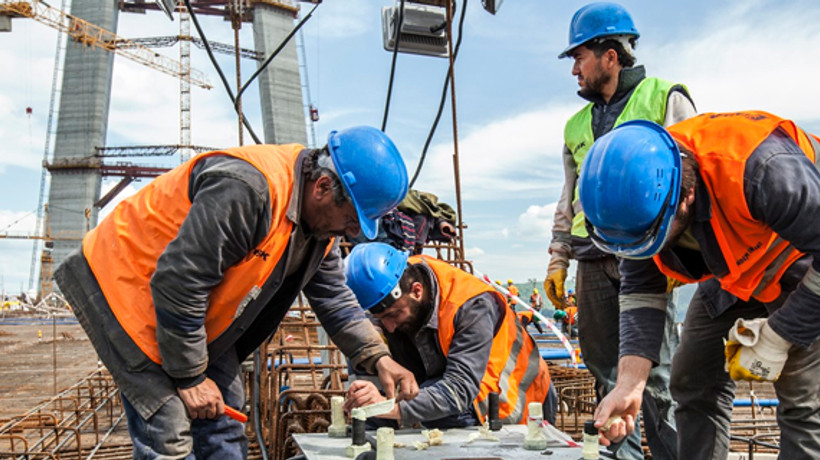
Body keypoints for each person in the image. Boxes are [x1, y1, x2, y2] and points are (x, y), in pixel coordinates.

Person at [54, 127, 421, 459]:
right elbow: (180, 281)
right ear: (322, 187)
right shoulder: (249, 189)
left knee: (226, 416)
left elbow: (335, 302)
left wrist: (378, 358)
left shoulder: (320, 232)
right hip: (125, 287)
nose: (353, 233)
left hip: (192, 310)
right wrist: (191, 377)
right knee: (167, 430)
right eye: (353, 219)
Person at [579, 113, 820, 459]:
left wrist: (781, 334)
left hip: (801, 263)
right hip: (732, 267)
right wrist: (630, 385)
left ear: (687, 195)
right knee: (692, 379)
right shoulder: (635, 203)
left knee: (802, 399)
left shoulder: (763, 170)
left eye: (653, 239)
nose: (643, 253)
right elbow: (641, 290)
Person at [542, 3, 695, 459]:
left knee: (658, 374)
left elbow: (690, 179)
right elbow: (568, 197)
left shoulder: (664, 97)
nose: (574, 68)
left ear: (611, 54)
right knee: (606, 372)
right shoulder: (574, 126)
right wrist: (557, 258)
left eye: (579, 56)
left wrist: (677, 254)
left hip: (648, 253)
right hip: (591, 256)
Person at [343, 242, 556, 427]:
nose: (389, 327)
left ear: (417, 291)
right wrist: (364, 400)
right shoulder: (383, 289)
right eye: (381, 318)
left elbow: (459, 390)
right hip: (448, 383)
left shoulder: (471, 306)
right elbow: (366, 361)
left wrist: (388, 408)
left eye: (395, 314)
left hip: (514, 398)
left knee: (443, 414)